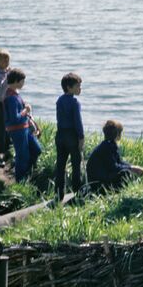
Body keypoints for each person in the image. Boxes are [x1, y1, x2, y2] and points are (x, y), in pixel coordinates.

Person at [2, 68, 42, 183]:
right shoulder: (11, 98)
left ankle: (28, 172)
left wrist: (32, 122)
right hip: (17, 130)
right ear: (16, 81)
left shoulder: (14, 94)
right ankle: (20, 180)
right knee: (22, 155)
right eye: (22, 81)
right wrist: (26, 110)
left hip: (24, 128)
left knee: (36, 149)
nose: (23, 83)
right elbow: (15, 118)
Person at [86, 119, 143, 194]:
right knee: (125, 173)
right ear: (117, 134)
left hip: (100, 179)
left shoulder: (108, 144)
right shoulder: (107, 147)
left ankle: (118, 191)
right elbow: (113, 167)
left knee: (126, 171)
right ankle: (115, 193)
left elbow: (119, 161)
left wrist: (131, 166)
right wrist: (130, 168)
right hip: (98, 184)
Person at [54, 72, 85, 200]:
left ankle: (58, 192)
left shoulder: (59, 100)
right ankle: (76, 191)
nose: (80, 89)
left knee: (60, 164)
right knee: (75, 163)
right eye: (77, 86)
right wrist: (81, 137)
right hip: (71, 135)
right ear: (69, 87)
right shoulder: (74, 102)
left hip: (60, 134)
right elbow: (78, 121)